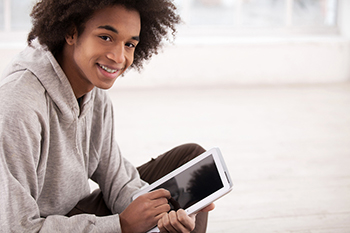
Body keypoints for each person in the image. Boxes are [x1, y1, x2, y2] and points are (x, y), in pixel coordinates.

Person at [0, 0, 215, 232]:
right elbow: (16, 227)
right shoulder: (18, 104)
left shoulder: (93, 91)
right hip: (39, 225)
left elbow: (118, 179)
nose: (119, 57)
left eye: (130, 44)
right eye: (105, 37)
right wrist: (121, 225)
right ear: (71, 32)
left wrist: (164, 214)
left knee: (193, 162)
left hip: (76, 213)